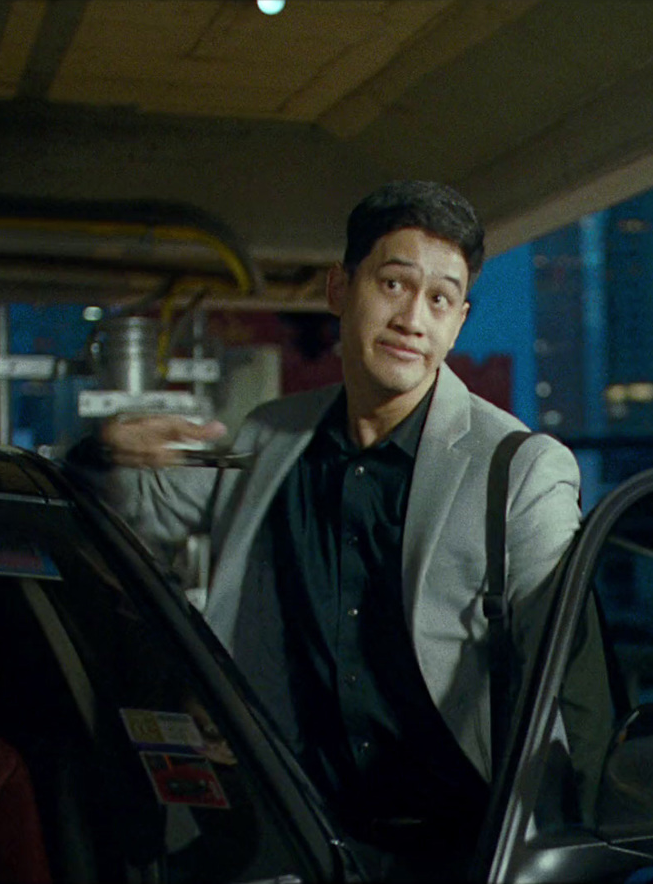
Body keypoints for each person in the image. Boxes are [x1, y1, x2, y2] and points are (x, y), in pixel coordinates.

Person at [65, 180, 582, 879]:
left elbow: (568, 690)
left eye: (439, 298)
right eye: (394, 283)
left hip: (456, 856)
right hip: (290, 843)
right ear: (341, 287)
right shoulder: (273, 435)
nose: (412, 318)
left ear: (459, 320)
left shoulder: (518, 469)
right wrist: (105, 448)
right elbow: (135, 502)